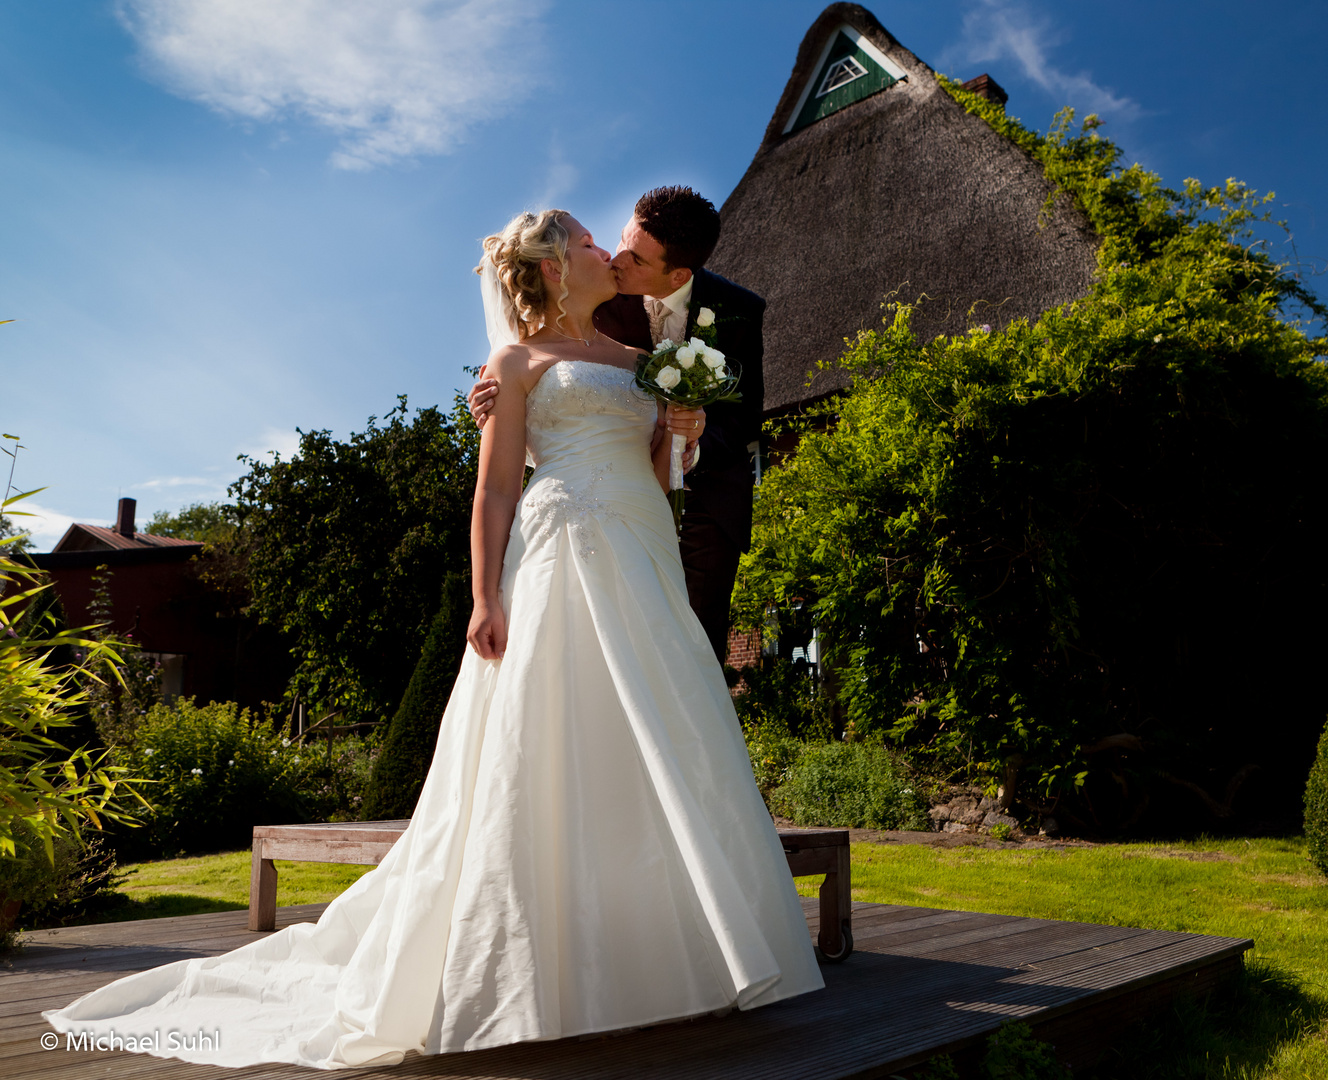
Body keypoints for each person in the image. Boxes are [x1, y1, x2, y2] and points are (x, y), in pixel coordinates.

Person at [43, 209, 824, 1069]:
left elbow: (657, 479)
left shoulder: (648, 367)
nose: (608, 247)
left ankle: (671, 955)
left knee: (662, 731)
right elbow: (493, 494)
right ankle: (535, 970)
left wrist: (684, 434)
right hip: (560, 547)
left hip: (642, 547)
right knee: (548, 732)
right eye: (591, 241)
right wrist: (485, 596)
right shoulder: (516, 364)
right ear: (559, 268)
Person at [471, 186, 763, 665]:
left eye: (637, 258)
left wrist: (689, 434)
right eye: (617, 240)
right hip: (572, 514)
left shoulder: (737, 311)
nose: (617, 258)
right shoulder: (595, 292)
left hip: (698, 502)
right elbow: (542, 353)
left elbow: (745, 413)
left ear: (678, 274)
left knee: (691, 653)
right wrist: (494, 400)